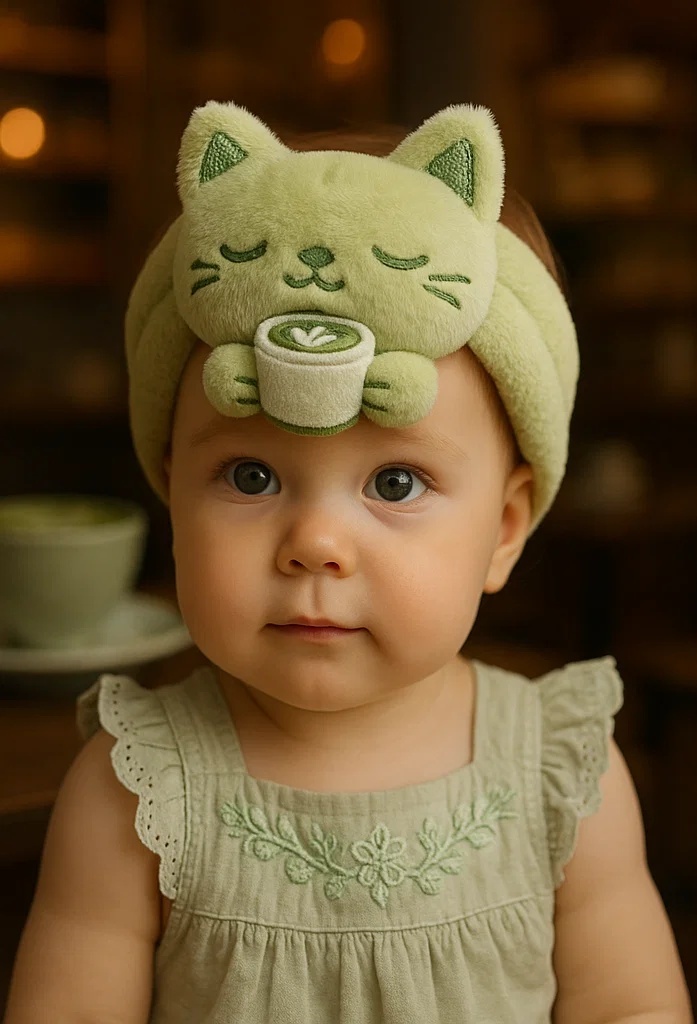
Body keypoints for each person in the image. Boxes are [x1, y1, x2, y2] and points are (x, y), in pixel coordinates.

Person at [5, 101, 692, 1024]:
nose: (315, 543)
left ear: (503, 528)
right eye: (249, 475)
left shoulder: (563, 776)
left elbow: (633, 1010)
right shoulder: (134, 790)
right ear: (171, 495)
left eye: (397, 483)